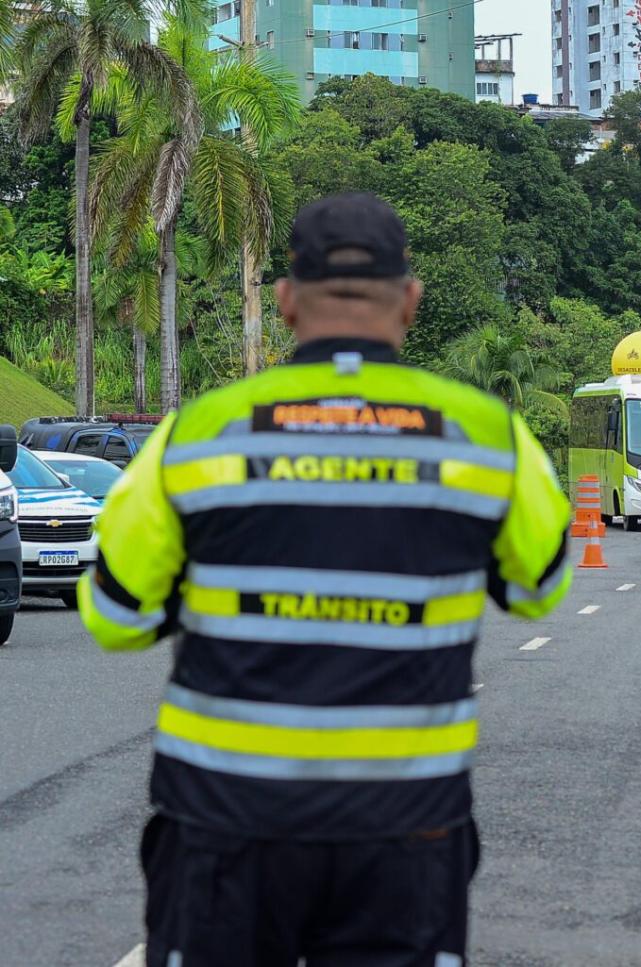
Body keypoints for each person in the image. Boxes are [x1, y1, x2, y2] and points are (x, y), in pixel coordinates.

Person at [78, 192, 573, 967]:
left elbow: (115, 615)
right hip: (407, 829)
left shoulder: (200, 431)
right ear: (409, 299)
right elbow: (539, 588)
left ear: (283, 302)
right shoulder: (487, 436)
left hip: (225, 821)